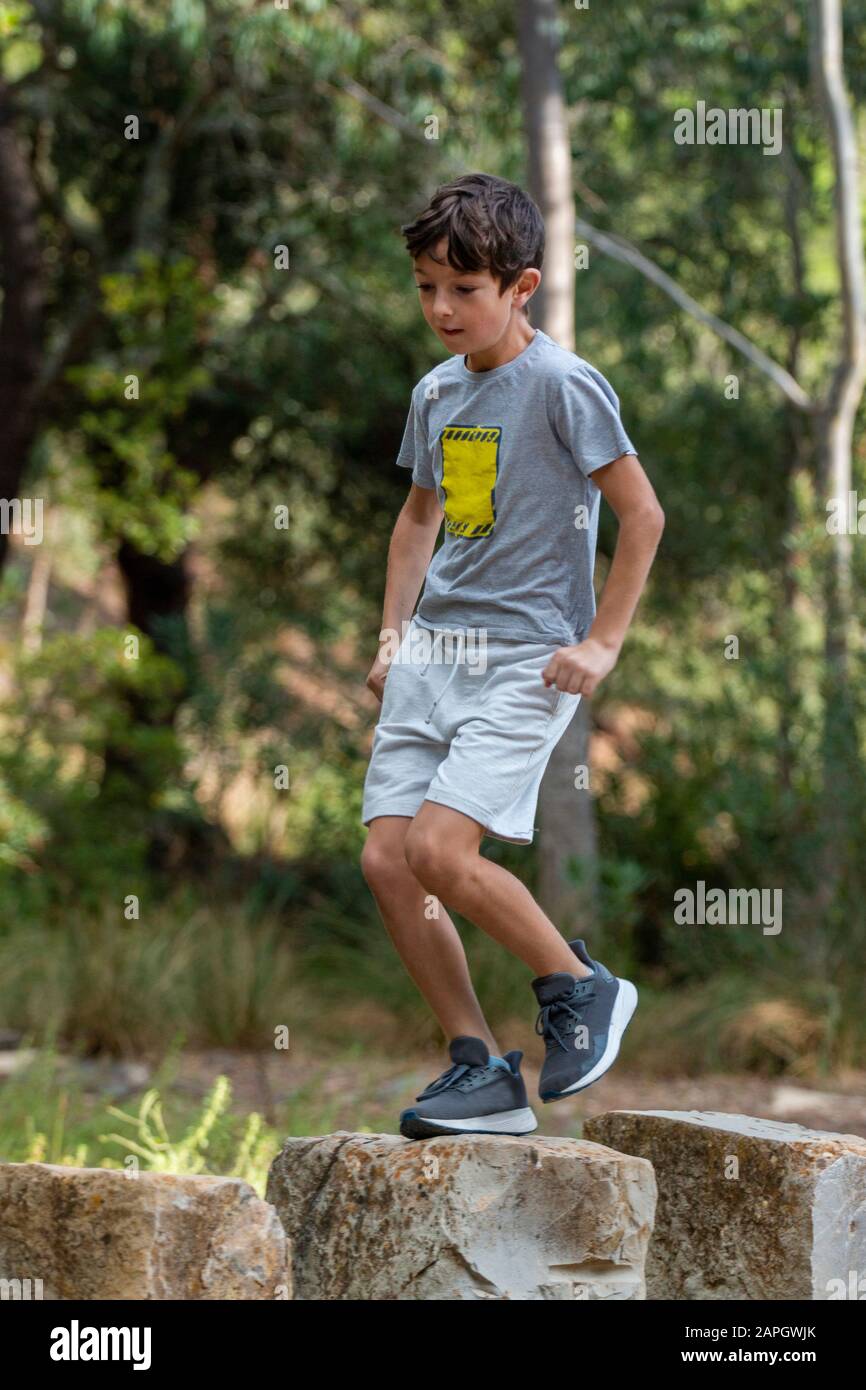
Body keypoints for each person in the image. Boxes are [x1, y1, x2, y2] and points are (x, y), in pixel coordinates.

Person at [360, 173, 664, 1140]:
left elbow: (643, 514)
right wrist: (392, 635)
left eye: (465, 289)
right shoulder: (436, 391)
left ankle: (581, 987)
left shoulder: (564, 385)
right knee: (387, 861)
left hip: (526, 659)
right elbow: (418, 522)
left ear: (522, 286)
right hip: (431, 657)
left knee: (440, 849)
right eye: (425, 288)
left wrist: (602, 643)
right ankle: (479, 1069)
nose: (442, 309)